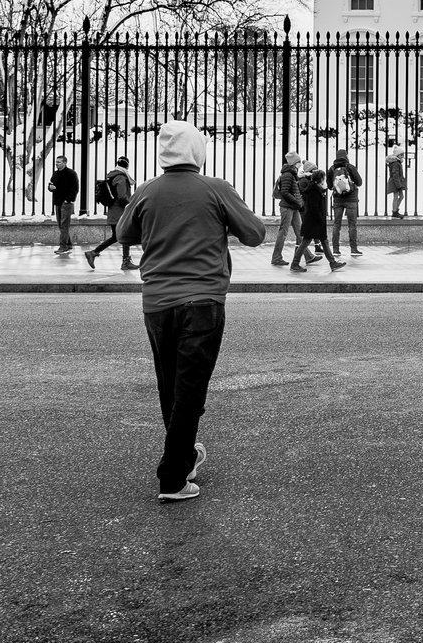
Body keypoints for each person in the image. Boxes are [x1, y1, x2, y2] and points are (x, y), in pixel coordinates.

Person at [119, 119, 265, 503]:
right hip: (203, 299)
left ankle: (184, 456)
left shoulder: (147, 191)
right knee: (191, 388)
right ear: (198, 151)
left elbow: (123, 234)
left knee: (171, 384)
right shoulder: (215, 189)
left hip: (156, 302)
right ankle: (172, 477)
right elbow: (255, 233)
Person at [289, 156, 340, 271]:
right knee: (305, 243)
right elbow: (313, 207)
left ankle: (332, 262)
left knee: (322, 242)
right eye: (323, 178)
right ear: (319, 180)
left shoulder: (316, 188)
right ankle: (295, 264)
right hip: (314, 222)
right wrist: (320, 219)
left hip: (314, 221)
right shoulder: (314, 190)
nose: (324, 180)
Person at [86, 155, 135, 269]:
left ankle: (94, 253)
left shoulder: (114, 176)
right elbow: (122, 196)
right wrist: (131, 205)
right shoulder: (121, 177)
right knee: (123, 236)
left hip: (114, 212)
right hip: (120, 212)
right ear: (127, 166)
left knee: (117, 237)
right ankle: (125, 261)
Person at [269, 152, 305, 267]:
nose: (300, 164)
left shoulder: (292, 174)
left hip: (293, 207)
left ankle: (308, 256)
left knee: (300, 233)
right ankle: (276, 258)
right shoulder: (288, 175)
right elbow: (285, 192)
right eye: (299, 162)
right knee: (283, 232)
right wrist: (296, 201)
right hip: (287, 207)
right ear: (295, 163)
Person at [327, 149, 364, 257]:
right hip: (351, 200)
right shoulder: (350, 167)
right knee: (352, 224)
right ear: (346, 156)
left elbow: (329, 186)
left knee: (336, 224)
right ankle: (353, 249)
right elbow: (359, 182)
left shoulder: (332, 168)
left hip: (338, 200)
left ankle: (335, 250)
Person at [48, 154, 80, 253]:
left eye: (59, 162)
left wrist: (68, 200)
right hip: (57, 202)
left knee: (64, 225)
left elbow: (75, 188)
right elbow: (51, 184)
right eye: (56, 162)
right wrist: (50, 187)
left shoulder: (71, 173)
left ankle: (63, 246)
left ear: (65, 163)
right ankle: (68, 244)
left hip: (66, 203)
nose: (56, 164)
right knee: (60, 224)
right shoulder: (55, 174)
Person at [384, 144, 408, 218]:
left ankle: (395, 210)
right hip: (395, 183)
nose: (403, 156)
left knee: (401, 196)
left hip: (398, 182)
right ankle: (395, 211)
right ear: (397, 155)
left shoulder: (397, 163)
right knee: (396, 196)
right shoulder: (395, 164)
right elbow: (395, 175)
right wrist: (398, 185)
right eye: (401, 155)